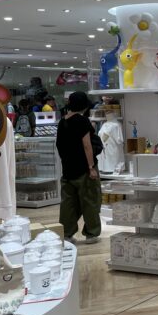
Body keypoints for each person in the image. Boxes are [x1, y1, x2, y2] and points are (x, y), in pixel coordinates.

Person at [56, 91, 102, 244]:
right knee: (90, 200)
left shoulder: (62, 122)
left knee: (68, 204)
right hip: (83, 169)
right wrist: (91, 167)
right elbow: (87, 146)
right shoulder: (82, 121)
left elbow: (60, 146)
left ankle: (67, 234)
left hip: (68, 170)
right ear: (84, 105)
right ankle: (91, 233)